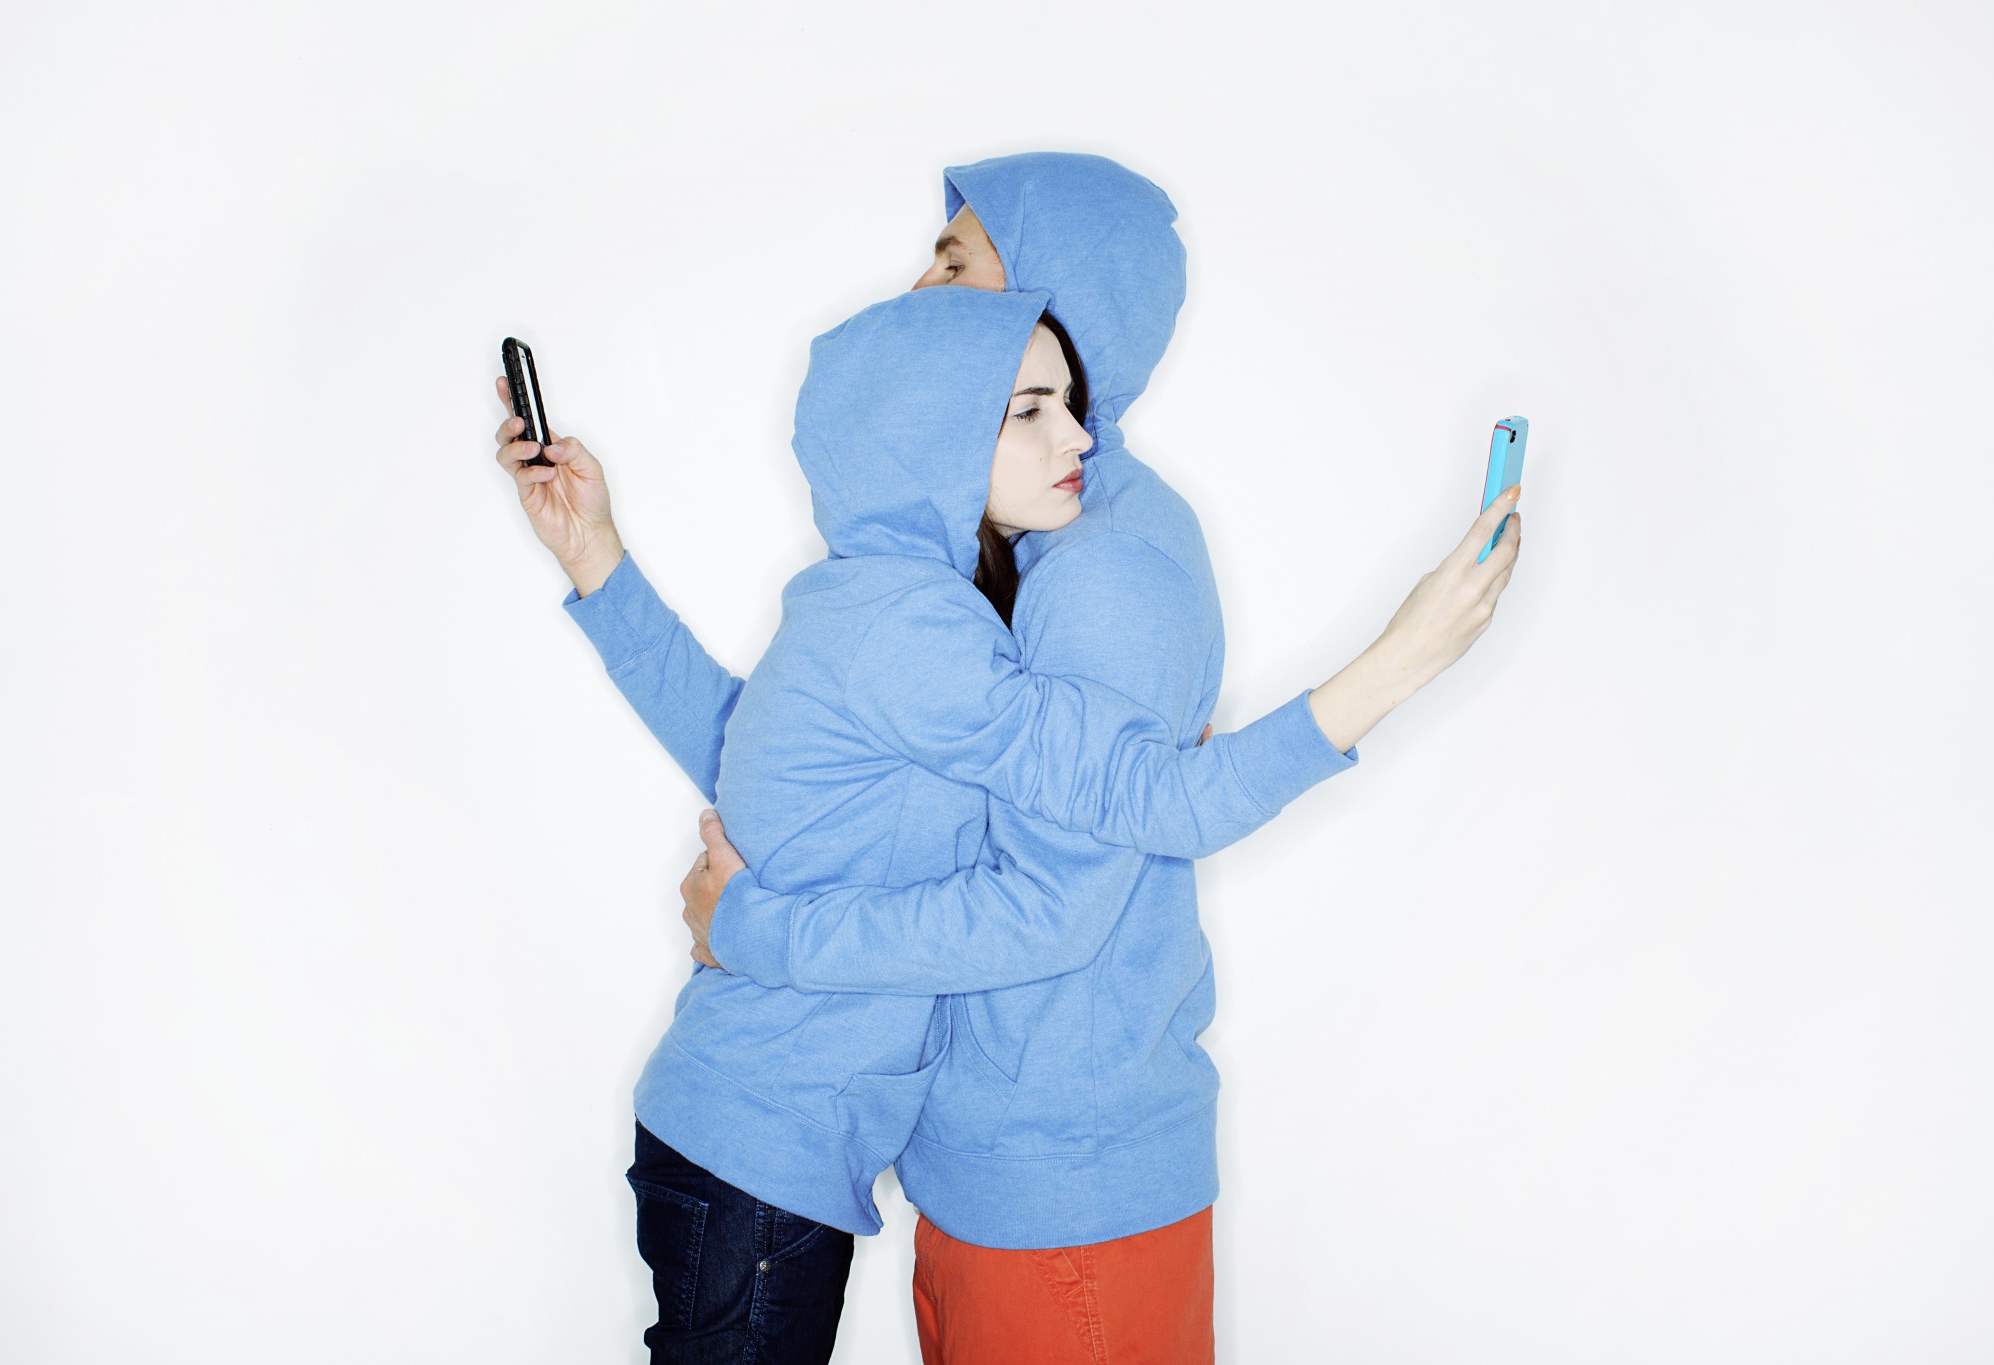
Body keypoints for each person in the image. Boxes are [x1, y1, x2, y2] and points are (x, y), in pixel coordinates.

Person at [672, 153, 1524, 1364]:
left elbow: (1062, 898)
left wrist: (753, 930)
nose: (920, 286)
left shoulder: (1097, 568)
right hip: (997, 1177)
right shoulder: (1002, 536)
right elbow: (817, 745)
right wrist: (599, 571)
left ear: (1050, 311)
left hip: (1062, 1196)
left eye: (956, 263)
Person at [492, 282, 1415, 1360]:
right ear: (932, 434)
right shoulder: (913, 628)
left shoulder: (870, 597)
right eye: (1028, 411)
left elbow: (752, 753)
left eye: (1067, 402)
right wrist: (1388, 671)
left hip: (747, 1139)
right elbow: (1143, 801)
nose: (1078, 436)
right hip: (762, 1149)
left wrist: (596, 561)